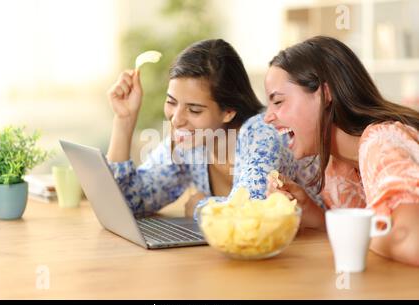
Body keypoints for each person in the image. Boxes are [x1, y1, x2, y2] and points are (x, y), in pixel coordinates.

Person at [106, 38, 322, 219]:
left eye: (194, 110)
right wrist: (124, 120)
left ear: (228, 111)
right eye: (172, 102)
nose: (177, 120)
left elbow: (253, 213)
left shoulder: (262, 132)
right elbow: (128, 202)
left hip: (315, 253)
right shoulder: (191, 142)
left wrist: (200, 207)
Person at [264, 36, 419, 266]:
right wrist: (313, 215)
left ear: (325, 95)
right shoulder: (336, 169)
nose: (267, 117)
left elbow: (410, 241)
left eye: (278, 102)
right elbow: (369, 238)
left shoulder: (381, 142)